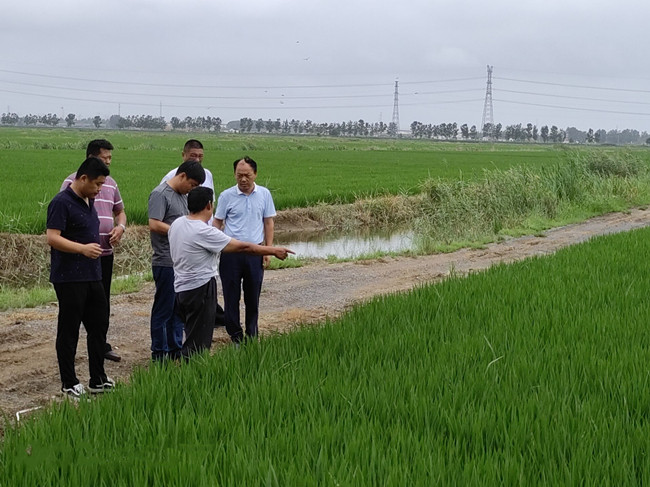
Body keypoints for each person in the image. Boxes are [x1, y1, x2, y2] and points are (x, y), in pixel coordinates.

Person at [169, 187, 293, 358]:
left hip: (181, 288)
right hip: (201, 287)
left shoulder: (177, 223)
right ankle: (193, 369)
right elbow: (244, 247)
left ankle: (189, 365)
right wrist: (272, 250)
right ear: (209, 206)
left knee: (192, 332)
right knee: (199, 342)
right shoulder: (204, 231)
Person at [47, 157, 114, 398]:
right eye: (97, 184)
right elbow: (52, 237)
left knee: (98, 325)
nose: (99, 189)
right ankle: (69, 381)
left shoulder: (89, 200)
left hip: (92, 274)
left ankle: (98, 378)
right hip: (69, 277)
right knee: (69, 329)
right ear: (83, 178)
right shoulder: (61, 202)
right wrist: (82, 249)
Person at [60, 139, 125, 363]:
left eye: (110, 158)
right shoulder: (72, 182)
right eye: (104, 158)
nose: (108, 162)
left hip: (104, 254)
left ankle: (100, 346)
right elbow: (62, 217)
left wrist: (120, 227)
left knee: (102, 303)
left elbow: (120, 211)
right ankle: (70, 355)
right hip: (79, 258)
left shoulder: (110, 183)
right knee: (75, 307)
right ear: (90, 159)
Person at [214, 156, 277, 344]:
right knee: (231, 296)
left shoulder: (264, 194)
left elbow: (268, 222)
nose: (243, 179)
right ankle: (235, 336)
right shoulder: (226, 196)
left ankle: (252, 334)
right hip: (231, 254)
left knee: (253, 296)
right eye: (239, 175)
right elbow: (217, 222)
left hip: (255, 252)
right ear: (234, 174)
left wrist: (267, 250)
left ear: (255, 174)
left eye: (247, 175)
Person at [148, 160, 205, 361]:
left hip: (181, 262)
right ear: (182, 176)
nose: (192, 189)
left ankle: (175, 349)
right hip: (165, 261)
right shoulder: (160, 194)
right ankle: (159, 353)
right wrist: (180, 231)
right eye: (192, 184)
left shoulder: (183, 197)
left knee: (178, 310)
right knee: (163, 310)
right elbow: (154, 224)